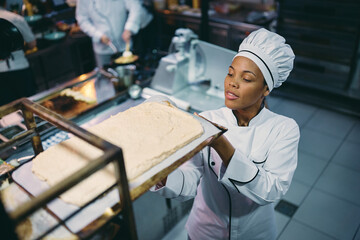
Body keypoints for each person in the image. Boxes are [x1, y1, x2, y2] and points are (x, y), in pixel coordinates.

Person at [152, 28, 300, 240]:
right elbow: (190, 178)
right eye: (230, 73)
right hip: (204, 231)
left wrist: (222, 145)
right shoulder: (209, 118)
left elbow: (272, 190)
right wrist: (161, 174)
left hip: (254, 233)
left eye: (246, 78)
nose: (232, 82)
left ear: (266, 89)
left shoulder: (283, 129)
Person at [76, 0, 153, 68]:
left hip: (124, 43)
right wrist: (98, 35)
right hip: (102, 49)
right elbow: (82, 20)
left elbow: (135, 7)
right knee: (106, 77)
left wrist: (129, 28)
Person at [0, 0, 37, 106]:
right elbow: (32, 44)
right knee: (30, 107)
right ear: (5, 3)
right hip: (19, 70)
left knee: (8, 113)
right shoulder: (15, 18)